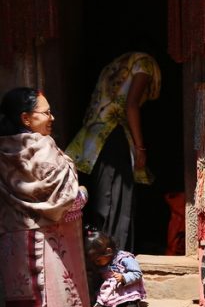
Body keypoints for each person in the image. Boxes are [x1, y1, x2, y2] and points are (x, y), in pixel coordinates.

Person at [0, 88, 97, 307]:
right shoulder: (40, 146)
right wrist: (82, 193)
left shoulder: (3, 149)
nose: (51, 118)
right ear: (26, 118)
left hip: (14, 242)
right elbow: (64, 199)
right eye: (45, 112)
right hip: (45, 245)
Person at [65, 51, 161, 252]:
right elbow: (131, 105)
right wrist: (140, 147)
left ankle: (103, 257)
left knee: (104, 202)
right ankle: (116, 261)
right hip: (114, 137)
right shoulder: (144, 62)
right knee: (118, 205)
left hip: (95, 137)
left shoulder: (112, 66)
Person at [86, 230, 146, 307]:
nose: (96, 264)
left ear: (108, 251)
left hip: (127, 293)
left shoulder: (125, 258)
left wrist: (124, 277)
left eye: (97, 260)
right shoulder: (104, 262)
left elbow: (137, 273)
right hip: (109, 295)